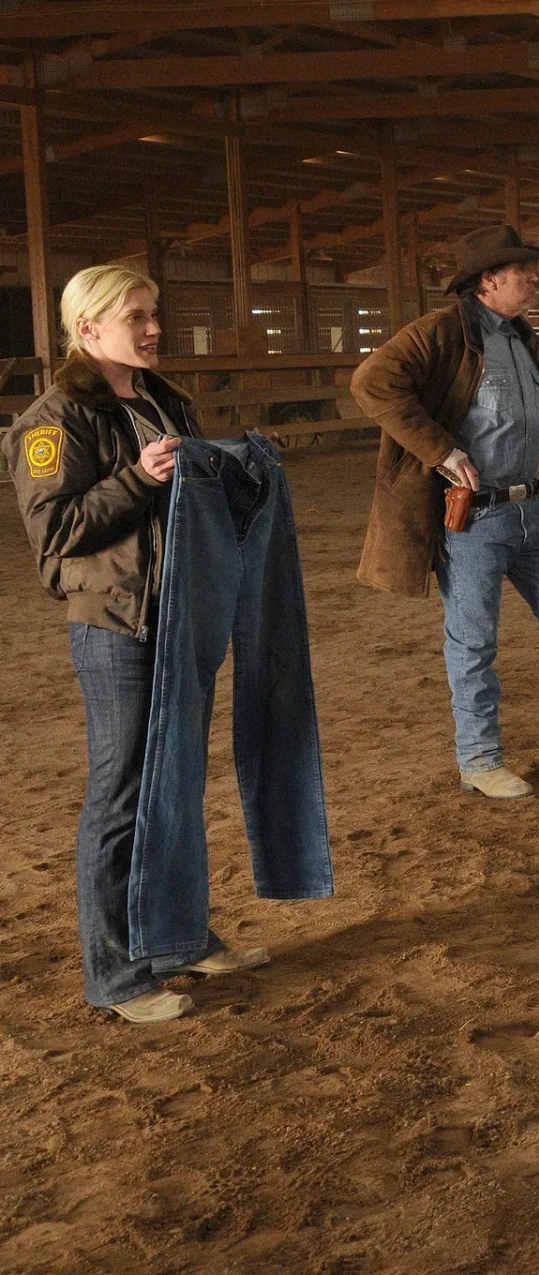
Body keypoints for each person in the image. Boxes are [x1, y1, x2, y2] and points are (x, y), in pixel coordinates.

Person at [4, 266, 267, 1023]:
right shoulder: (52, 421)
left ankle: (180, 939)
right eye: (137, 317)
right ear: (88, 329)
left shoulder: (160, 398)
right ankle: (114, 975)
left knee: (178, 788)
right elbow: (54, 538)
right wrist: (137, 478)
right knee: (120, 799)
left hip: (180, 618)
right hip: (117, 628)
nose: (155, 328)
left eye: (154, 313)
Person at [351, 225, 539, 798]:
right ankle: (479, 759)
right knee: (474, 640)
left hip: (529, 511)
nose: (534, 278)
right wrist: (442, 451)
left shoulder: (519, 336)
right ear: (488, 280)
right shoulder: (439, 332)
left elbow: (520, 414)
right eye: (523, 271)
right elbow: (371, 382)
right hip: (474, 519)